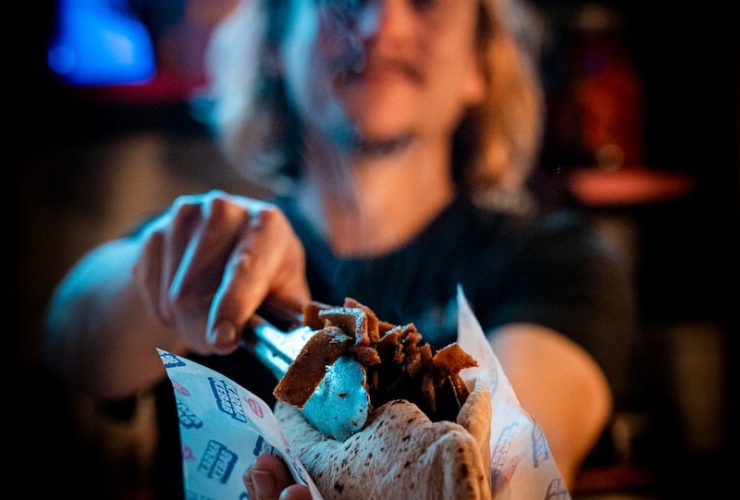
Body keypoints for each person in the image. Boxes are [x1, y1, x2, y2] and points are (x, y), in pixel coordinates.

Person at [44, 0, 635, 498]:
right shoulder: (213, 248)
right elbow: (72, 344)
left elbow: (512, 465)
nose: (381, 25)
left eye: (425, 1)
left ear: (479, 66)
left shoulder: (554, 262)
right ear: (278, 45)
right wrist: (173, 284)